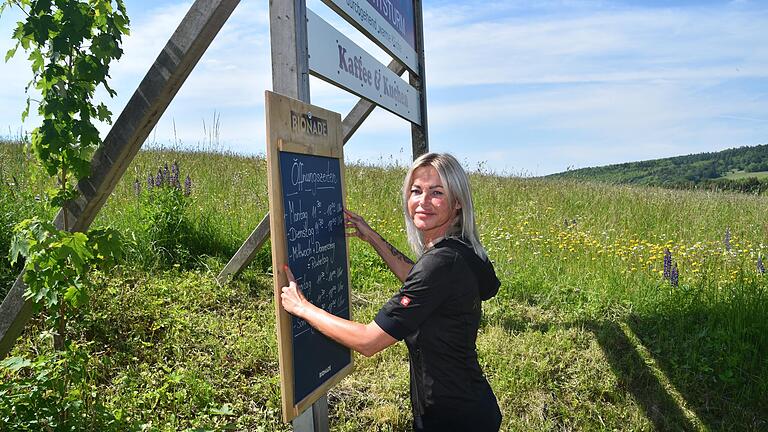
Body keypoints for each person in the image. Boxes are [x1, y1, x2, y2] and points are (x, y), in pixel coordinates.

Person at [281, 152, 502, 431]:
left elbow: (368, 341)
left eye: (437, 193)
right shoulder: (465, 250)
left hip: (452, 417)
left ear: (457, 202)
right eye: (416, 191)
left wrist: (302, 307)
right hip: (471, 404)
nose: (422, 202)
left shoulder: (440, 263)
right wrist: (372, 236)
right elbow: (427, 284)